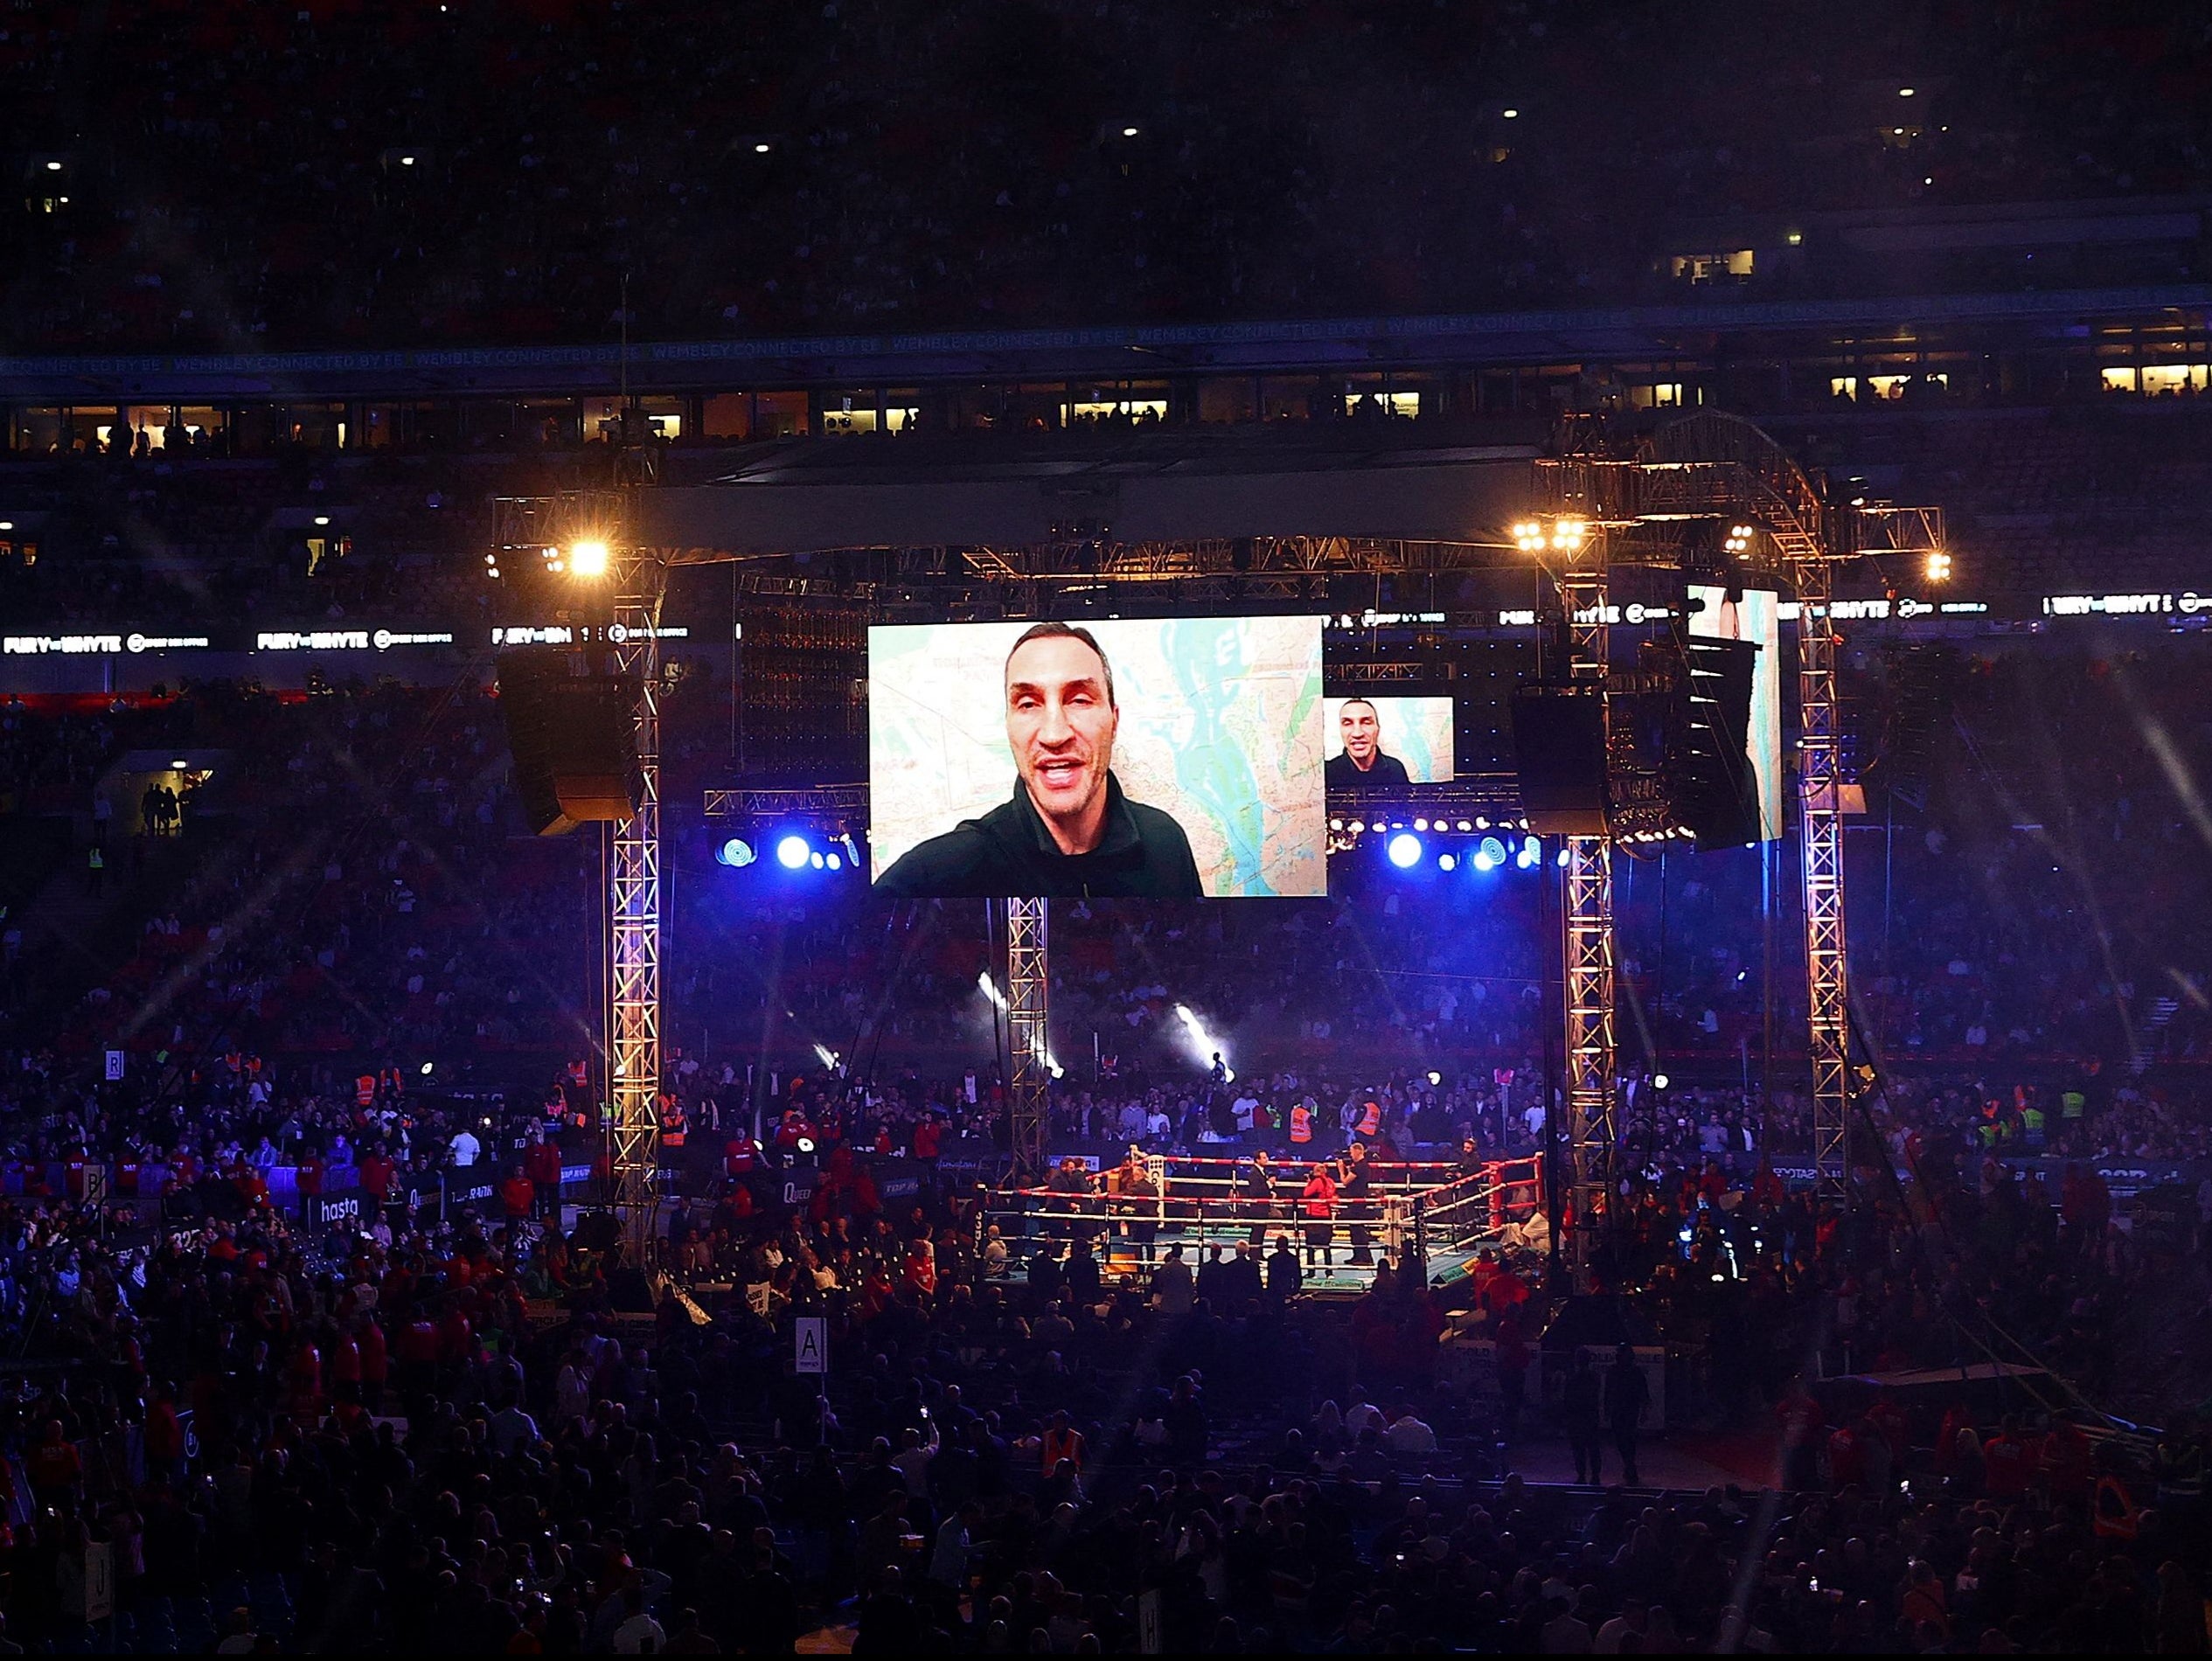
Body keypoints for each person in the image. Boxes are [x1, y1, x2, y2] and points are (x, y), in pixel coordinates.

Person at [874, 622, 1203, 897]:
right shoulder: (939, 876)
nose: (1054, 734)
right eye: (1029, 704)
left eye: (1078, 699)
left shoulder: (1165, 843)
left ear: (1114, 721)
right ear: (1008, 726)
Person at [1325, 698, 1413, 787]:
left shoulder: (1395, 769)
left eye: (1366, 722)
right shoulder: (1327, 773)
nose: (1357, 733)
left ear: (1377, 729)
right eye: (1348, 723)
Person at [1604, 1343, 1650, 1486]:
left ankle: (1630, 1466)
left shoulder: (1635, 1372)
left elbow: (1644, 1393)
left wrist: (1644, 1411)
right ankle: (1629, 1465)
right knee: (1621, 1439)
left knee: (1629, 1439)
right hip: (1619, 1409)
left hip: (1630, 1409)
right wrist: (1607, 1408)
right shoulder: (1614, 1371)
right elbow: (1608, 1391)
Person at [1563, 1351, 1603, 1485]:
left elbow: (1567, 1399)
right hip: (1589, 1416)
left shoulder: (1573, 1377)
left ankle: (1582, 1475)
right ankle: (1595, 1475)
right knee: (1592, 1448)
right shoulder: (1594, 1377)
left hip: (1578, 1416)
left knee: (1580, 1448)